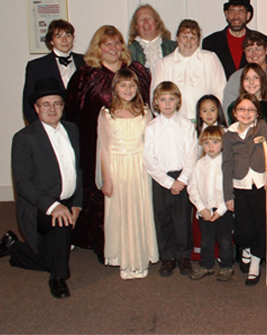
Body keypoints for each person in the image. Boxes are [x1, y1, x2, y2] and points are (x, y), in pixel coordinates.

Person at [65, 25, 151, 260]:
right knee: (103, 195)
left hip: (132, 148)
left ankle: (132, 243)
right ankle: (105, 244)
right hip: (95, 147)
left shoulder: (136, 72)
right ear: (98, 48)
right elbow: (72, 113)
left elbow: (146, 108)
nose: (113, 48)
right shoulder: (86, 75)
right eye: (107, 44)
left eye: (117, 43)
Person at [0, 77, 82, 298]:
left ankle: (14, 247)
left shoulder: (72, 129)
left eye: (57, 103)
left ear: (63, 106)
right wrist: (54, 206)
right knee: (62, 222)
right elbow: (22, 183)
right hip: (37, 206)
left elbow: (78, 170)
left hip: (68, 200)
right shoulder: (24, 138)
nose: (52, 109)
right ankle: (58, 276)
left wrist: (78, 204)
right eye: (46, 104)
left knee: (62, 240)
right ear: (36, 108)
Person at [97, 68, 158, 279]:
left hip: (139, 168)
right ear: (115, 88)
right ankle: (124, 259)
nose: (128, 89)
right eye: (123, 85)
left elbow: (151, 144)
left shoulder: (144, 111)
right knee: (120, 212)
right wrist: (107, 178)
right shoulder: (107, 113)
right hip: (117, 167)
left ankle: (140, 257)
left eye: (132, 85)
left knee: (140, 210)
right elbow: (103, 148)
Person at [223, 94, 267, 284]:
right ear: (235, 113)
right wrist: (228, 195)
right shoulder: (229, 135)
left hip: (260, 185)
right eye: (242, 109)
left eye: (251, 110)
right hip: (239, 185)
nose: (246, 113)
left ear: (257, 113)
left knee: (261, 226)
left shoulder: (261, 127)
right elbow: (226, 165)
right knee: (243, 228)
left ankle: (255, 265)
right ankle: (246, 249)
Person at [143, 82, 198, 277]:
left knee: (182, 219)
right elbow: (149, 158)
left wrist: (182, 180)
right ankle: (167, 257)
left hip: (182, 178)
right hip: (161, 179)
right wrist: (168, 182)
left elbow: (192, 153)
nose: (167, 104)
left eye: (171, 99)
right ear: (156, 102)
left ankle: (183, 256)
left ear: (178, 101)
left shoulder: (186, 124)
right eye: (163, 99)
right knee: (163, 218)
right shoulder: (152, 127)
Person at [151, 19, 226, 121]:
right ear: (177, 38)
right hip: (175, 123)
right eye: (184, 37)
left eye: (192, 38)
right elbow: (155, 98)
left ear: (198, 40)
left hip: (206, 122)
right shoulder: (164, 64)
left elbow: (221, 92)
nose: (188, 42)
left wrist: (210, 118)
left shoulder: (210, 59)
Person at [187, 125, 234, 281]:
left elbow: (231, 189)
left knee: (225, 240)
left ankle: (227, 266)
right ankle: (206, 265)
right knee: (206, 240)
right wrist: (201, 208)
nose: (211, 146)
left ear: (223, 144)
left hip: (223, 211)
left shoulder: (227, 164)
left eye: (215, 142)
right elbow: (192, 188)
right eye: (206, 143)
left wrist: (220, 211)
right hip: (205, 211)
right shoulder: (199, 164)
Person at [22, 19, 85, 125]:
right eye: (58, 36)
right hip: (51, 126)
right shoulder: (36, 66)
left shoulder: (85, 62)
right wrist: (41, 130)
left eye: (68, 35)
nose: (64, 40)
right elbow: (29, 104)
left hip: (82, 126)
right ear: (51, 41)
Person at [202, 0, 267, 79]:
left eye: (240, 11)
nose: (236, 16)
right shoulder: (210, 42)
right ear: (226, 14)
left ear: (248, 15)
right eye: (232, 11)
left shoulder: (262, 41)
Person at [222, 32, 267, 113]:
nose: (254, 53)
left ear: (266, 50)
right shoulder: (236, 78)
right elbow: (228, 110)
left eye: (258, 49)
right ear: (244, 52)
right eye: (249, 50)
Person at [127, 4, 176, 75]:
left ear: (156, 23)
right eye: (141, 19)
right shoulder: (129, 52)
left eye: (149, 18)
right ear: (136, 26)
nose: (145, 21)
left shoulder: (173, 47)